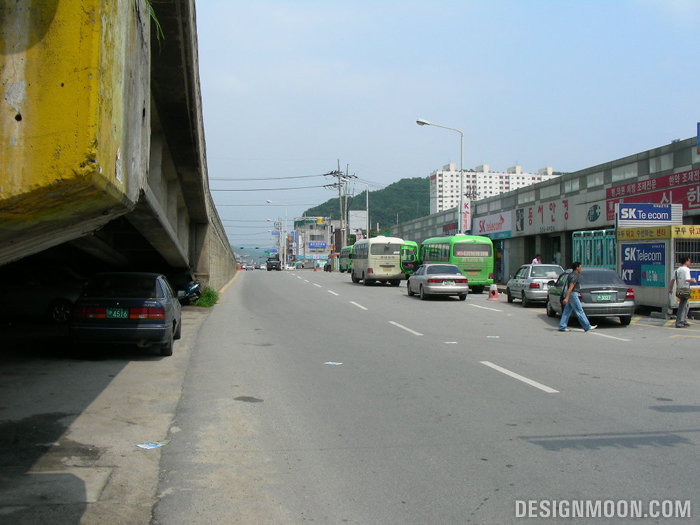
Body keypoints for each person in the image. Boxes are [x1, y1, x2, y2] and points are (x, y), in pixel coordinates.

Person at [558, 261, 597, 332]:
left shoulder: (570, 275)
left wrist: (567, 297)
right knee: (579, 310)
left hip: (571, 294)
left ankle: (562, 326)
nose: (581, 268)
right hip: (573, 295)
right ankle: (587, 326)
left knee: (567, 310)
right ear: (577, 268)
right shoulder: (574, 276)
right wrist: (566, 298)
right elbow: (570, 288)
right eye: (580, 267)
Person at [669, 256, 696, 328]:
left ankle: (683, 320)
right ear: (686, 261)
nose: (689, 262)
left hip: (679, 290)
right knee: (682, 306)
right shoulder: (686, 270)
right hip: (685, 290)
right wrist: (693, 280)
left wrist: (670, 289)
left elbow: (672, 280)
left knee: (686, 305)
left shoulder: (677, 270)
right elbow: (687, 279)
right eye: (689, 261)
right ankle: (679, 322)